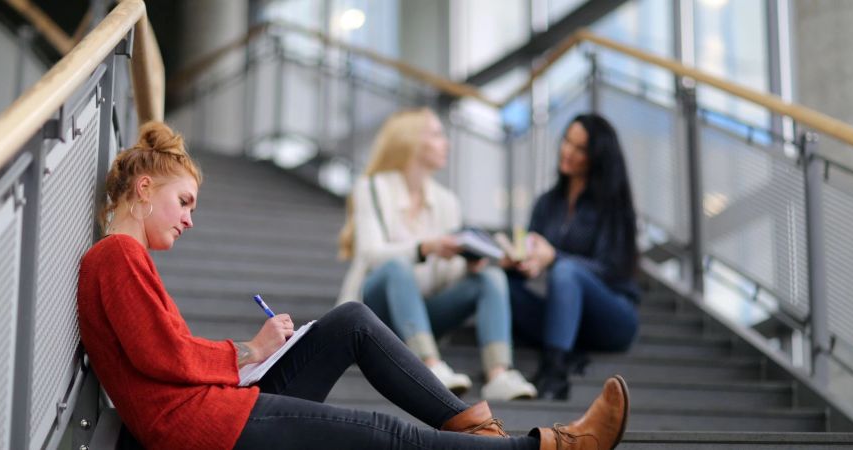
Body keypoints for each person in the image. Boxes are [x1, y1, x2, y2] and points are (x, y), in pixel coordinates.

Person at [77, 121, 631, 450]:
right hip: (204, 432)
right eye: (184, 203)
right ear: (144, 189)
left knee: (351, 320)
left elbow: (162, 355)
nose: (189, 219)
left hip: (217, 414)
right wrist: (249, 350)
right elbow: (163, 356)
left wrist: (250, 359)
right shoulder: (117, 256)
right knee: (383, 434)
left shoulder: (124, 257)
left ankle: (478, 432)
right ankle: (551, 446)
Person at [337, 107, 536, 401]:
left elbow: (445, 277)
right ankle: (428, 364)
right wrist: (425, 247)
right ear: (412, 141)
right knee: (397, 267)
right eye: (437, 135)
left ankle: (498, 374)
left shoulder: (447, 201)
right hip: (374, 311)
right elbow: (369, 254)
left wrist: (470, 263)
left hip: (422, 313)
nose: (447, 143)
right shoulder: (372, 188)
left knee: (490, 276)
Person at [504, 113, 640, 400]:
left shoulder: (613, 207)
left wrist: (554, 257)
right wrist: (520, 263)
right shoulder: (547, 203)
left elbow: (612, 271)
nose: (567, 151)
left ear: (597, 157)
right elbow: (536, 260)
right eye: (567, 141)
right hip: (559, 309)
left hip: (612, 315)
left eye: (580, 148)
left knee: (566, 271)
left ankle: (554, 372)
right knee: (498, 279)